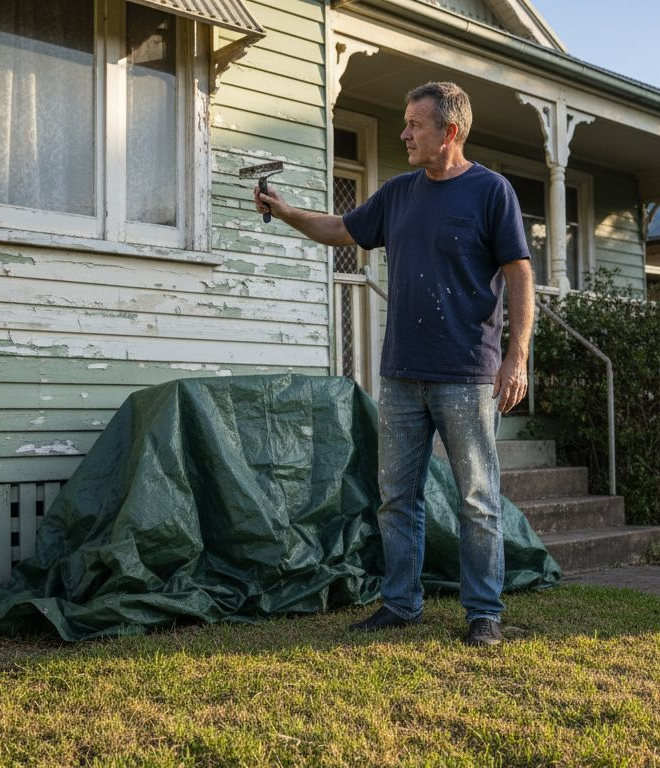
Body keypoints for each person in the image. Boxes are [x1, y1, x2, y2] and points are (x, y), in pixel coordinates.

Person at [254, 81, 534, 647]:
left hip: (467, 374)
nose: (404, 133)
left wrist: (517, 358)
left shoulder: (490, 191)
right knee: (396, 497)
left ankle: (484, 612)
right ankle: (401, 604)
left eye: (415, 125)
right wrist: (285, 212)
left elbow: (519, 273)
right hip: (402, 371)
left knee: (477, 499)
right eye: (405, 123)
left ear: (449, 132)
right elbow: (340, 230)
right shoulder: (400, 193)